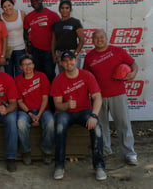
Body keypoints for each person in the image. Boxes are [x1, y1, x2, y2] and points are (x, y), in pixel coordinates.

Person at [84, 29, 138, 165]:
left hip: (117, 94)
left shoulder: (118, 51)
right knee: (101, 126)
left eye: (102, 37)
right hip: (98, 97)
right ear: (92, 40)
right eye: (96, 38)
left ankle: (130, 153)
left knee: (123, 124)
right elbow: (86, 76)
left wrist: (134, 73)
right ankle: (105, 150)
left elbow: (133, 63)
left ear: (106, 38)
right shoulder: (89, 57)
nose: (99, 40)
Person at [51, 50, 106, 181]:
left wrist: (94, 115)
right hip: (66, 113)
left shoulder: (86, 75)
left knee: (97, 127)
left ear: (76, 61)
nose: (68, 63)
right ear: (61, 64)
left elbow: (97, 97)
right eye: (65, 61)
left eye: (70, 60)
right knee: (59, 125)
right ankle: (59, 166)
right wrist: (67, 105)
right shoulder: (58, 80)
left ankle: (99, 166)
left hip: (85, 112)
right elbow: (57, 104)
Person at [15, 54, 54, 165]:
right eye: (24, 65)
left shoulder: (42, 76)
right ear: (21, 67)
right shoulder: (17, 80)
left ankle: (46, 151)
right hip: (25, 111)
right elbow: (19, 101)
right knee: (21, 123)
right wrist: (30, 114)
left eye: (30, 64)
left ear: (34, 65)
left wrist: (39, 115)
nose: (27, 67)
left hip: (43, 109)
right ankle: (26, 151)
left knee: (50, 122)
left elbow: (45, 98)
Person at [24, 0, 60, 82]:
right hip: (35, 51)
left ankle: (51, 96)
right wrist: (28, 44)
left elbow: (59, 34)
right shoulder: (29, 17)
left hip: (49, 51)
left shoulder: (53, 15)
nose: (34, 2)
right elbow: (25, 31)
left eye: (37, 0)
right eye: (32, 0)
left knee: (49, 75)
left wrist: (55, 51)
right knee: (38, 75)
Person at [52, 0, 84, 71]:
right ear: (59, 9)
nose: (64, 10)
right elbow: (53, 41)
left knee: (74, 75)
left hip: (72, 53)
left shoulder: (75, 22)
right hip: (60, 54)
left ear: (70, 9)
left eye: (67, 8)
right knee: (63, 76)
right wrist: (54, 55)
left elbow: (81, 40)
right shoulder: (56, 24)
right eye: (62, 8)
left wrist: (76, 53)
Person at [0, 0, 26, 77]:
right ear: (2, 8)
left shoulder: (21, 14)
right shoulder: (0, 17)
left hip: (20, 49)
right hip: (7, 50)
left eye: (9, 5)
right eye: (4, 7)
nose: (7, 8)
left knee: (20, 73)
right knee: (8, 74)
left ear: (13, 4)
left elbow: (28, 30)